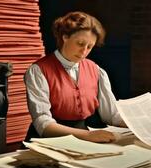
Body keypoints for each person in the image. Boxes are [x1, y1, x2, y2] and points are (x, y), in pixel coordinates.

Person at [24, 11, 124, 143]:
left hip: (85, 138)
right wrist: (86, 136)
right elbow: (43, 123)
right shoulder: (38, 70)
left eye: (90, 47)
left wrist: (138, 125)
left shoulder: (97, 70)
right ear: (65, 37)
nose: (84, 52)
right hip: (48, 141)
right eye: (80, 44)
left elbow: (111, 115)